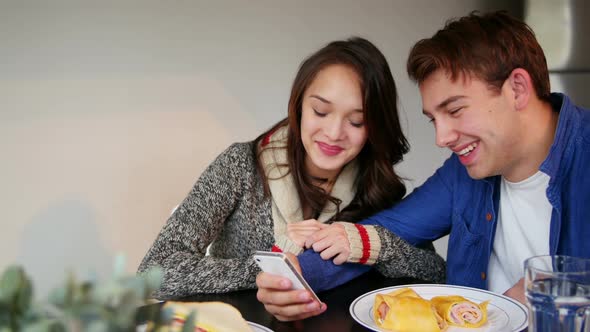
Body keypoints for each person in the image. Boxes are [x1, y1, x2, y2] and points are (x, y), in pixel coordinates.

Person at [256, 10, 590, 320]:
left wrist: (547, 290)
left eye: (455, 110)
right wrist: (296, 277)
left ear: (517, 89)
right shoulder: (463, 174)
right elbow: (380, 233)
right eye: (434, 119)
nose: (442, 137)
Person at [137, 37, 446, 299]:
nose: (334, 133)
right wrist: (271, 267)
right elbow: (153, 273)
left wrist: (371, 246)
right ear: (299, 106)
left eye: (356, 121)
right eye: (321, 111)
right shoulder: (240, 166)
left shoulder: (377, 186)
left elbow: (434, 273)